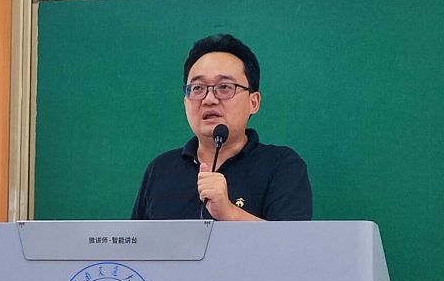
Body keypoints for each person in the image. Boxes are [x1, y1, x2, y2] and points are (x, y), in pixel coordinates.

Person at [130, 34, 313, 222]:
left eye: (224, 87)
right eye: (198, 88)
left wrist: (229, 213)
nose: (209, 99)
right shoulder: (160, 169)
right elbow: (136, 240)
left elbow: (293, 240)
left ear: (253, 102)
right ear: (185, 101)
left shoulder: (282, 165)